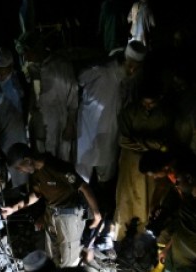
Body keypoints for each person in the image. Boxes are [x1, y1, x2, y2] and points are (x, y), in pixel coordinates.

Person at [2, 143, 102, 267]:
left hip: (68, 217)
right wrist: (13, 208)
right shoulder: (35, 173)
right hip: (51, 215)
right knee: (52, 257)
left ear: (28, 160)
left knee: (68, 261)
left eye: (19, 168)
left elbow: (85, 188)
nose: (20, 172)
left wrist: (96, 214)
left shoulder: (57, 167)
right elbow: (36, 194)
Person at [76, 41, 147, 185]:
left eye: (136, 68)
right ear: (124, 60)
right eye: (130, 65)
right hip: (89, 133)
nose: (132, 71)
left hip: (110, 136)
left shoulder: (130, 81)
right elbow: (79, 78)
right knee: (82, 176)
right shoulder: (101, 71)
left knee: (106, 175)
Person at [113, 76, 174, 242]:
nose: (147, 107)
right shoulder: (130, 112)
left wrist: (140, 141)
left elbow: (165, 142)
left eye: (151, 104)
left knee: (148, 196)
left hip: (152, 164)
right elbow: (124, 140)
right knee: (127, 196)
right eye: (144, 103)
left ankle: (143, 233)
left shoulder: (165, 115)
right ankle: (122, 233)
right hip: (131, 163)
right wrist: (151, 144)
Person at [16, 30, 78, 163]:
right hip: (38, 120)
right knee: (40, 154)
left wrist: (70, 123)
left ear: (36, 49)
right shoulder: (31, 68)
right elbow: (32, 92)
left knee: (61, 155)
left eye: (27, 53)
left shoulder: (62, 66)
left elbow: (73, 95)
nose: (25, 58)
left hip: (59, 118)